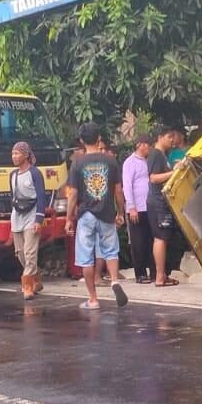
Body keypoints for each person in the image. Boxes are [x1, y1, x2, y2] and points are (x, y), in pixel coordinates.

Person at [65, 122, 128, 311]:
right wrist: (120, 212)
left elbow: (73, 194)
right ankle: (115, 280)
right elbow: (118, 190)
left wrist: (69, 218)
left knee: (86, 257)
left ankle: (93, 299)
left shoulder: (77, 163)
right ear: (99, 138)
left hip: (86, 215)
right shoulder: (110, 161)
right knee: (110, 251)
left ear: (82, 140)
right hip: (107, 213)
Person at [10, 141, 47, 301]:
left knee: (30, 252)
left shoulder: (35, 173)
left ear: (26, 155)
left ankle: (27, 286)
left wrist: (39, 219)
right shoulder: (12, 175)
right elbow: (13, 197)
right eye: (13, 153)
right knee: (21, 254)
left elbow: (41, 197)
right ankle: (36, 279)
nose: (14, 156)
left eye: (17, 153)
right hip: (17, 216)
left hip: (32, 216)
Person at [146, 126, 178, 286]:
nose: (172, 139)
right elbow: (153, 178)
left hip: (161, 201)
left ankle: (162, 275)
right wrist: (174, 172)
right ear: (160, 137)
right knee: (160, 238)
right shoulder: (155, 154)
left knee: (164, 237)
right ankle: (159, 277)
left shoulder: (162, 156)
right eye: (169, 136)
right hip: (157, 202)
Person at [123, 134, 155, 284]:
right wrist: (131, 207)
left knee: (151, 240)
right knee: (138, 242)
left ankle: (154, 272)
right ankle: (140, 273)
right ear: (141, 145)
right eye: (148, 145)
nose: (149, 149)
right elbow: (127, 186)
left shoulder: (149, 162)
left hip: (149, 206)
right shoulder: (130, 163)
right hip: (136, 208)